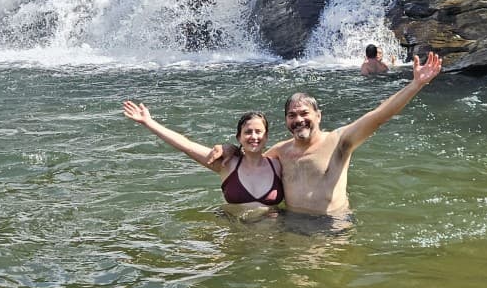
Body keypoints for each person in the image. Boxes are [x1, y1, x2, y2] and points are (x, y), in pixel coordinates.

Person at [272, 51, 442, 216]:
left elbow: (378, 116)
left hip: (332, 226)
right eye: (292, 115)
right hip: (293, 224)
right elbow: (248, 165)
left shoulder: (339, 141)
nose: (299, 120)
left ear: (318, 116)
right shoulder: (280, 152)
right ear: (286, 120)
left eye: (304, 113)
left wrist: (416, 84)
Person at [121, 101, 284, 216]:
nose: (253, 136)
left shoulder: (278, 165)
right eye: (248, 132)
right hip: (234, 234)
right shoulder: (227, 165)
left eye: (258, 131)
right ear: (239, 137)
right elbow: (185, 144)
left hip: (269, 237)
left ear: (266, 136)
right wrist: (148, 122)